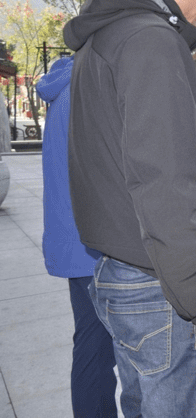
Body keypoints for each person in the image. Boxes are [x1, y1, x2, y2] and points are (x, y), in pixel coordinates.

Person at [64, 0, 196, 417]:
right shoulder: (151, 41)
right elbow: (164, 185)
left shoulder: (103, 37)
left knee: (143, 405)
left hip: (116, 267)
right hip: (156, 283)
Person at [36, 55, 118, 417]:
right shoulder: (87, 87)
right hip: (93, 243)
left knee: (92, 345)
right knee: (96, 350)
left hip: (74, 240)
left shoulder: (66, 83)